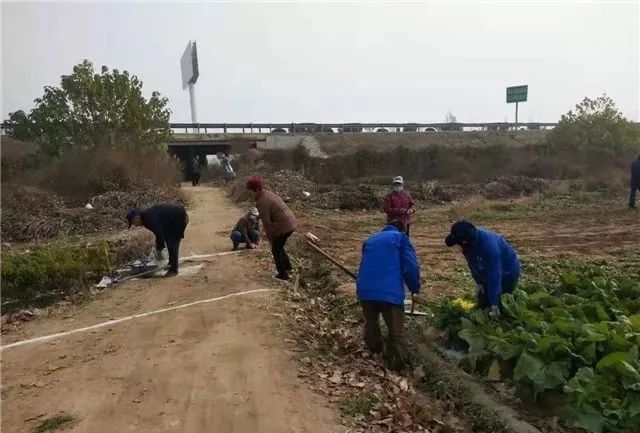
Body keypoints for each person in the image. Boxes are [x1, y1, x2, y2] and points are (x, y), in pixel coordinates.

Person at [356, 220, 421, 371]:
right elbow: (410, 267)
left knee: (371, 326)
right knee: (396, 333)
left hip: (365, 290)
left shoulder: (370, 240)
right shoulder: (401, 239)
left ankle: (373, 356)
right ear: (403, 230)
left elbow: (365, 264)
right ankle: (398, 368)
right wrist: (414, 287)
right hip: (389, 294)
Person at [445, 220, 520, 318]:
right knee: (483, 303)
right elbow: (473, 264)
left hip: (507, 272)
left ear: (466, 242)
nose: (459, 247)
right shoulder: (467, 241)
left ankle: (499, 322)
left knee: (499, 306)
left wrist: (494, 304)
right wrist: (479, 282)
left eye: (459, 244)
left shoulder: (489, 247)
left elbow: (495, 276)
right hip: (488, 269)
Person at [246, 176, 297, 281]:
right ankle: (289, 269)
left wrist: (270, 237)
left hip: (284, 225)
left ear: (256, 190)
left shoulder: (262, 202)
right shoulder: (268, 194)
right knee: (279, 246)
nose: (250, 194)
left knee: (276, 249)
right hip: (291, 222)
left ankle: (283, 275)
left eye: (251, 192)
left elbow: (267, 223)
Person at [127, 204, 189, 277]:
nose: (135, 225)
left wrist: (159, 250)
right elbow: (159, 233)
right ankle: (171, 264)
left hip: (179, 217)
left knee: (172, 242)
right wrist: (159, 248)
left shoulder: (148, 218)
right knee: (169, 239)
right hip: (173, 220)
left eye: (134, 223)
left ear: (136, 218)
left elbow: (159, 234)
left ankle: (173, 270)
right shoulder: (146, 217)